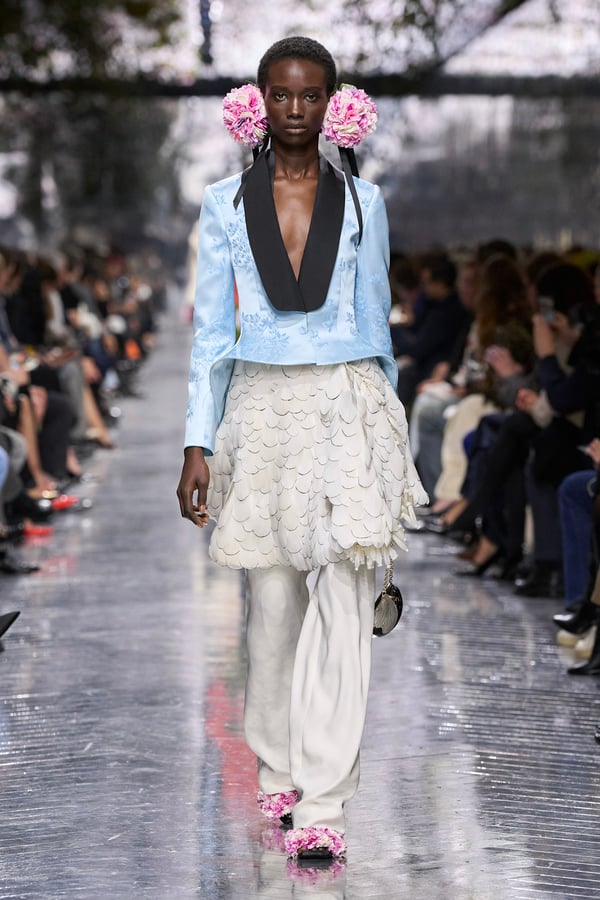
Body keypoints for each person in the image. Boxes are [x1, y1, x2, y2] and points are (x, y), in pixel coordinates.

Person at [177, 36, 426, 862]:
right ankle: (279, 762)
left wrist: (392, 437)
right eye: (280, 94)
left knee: (346, 597)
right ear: (257, 102)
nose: (294, 109)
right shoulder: (222, 203)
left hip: (347, 404)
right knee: (275, 603)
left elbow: (378, 323)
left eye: (310, 94)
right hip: (260, 409)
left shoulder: (364, 202)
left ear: (333, 104)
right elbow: (212, 333)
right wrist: (196, 442)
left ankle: (325, 800)